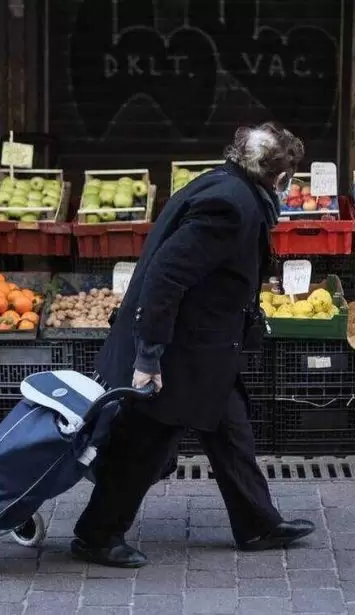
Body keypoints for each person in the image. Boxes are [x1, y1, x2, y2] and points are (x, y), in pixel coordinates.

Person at [72, 122, 316, 568]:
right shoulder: (230, 206)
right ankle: (96, 535)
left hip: (208, 350)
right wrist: (149, 356)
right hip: (178, 352)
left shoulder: (220, 182)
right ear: (279, 177)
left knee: (231, 430)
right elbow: (166, 277)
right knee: (145, 441)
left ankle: (257, 523)